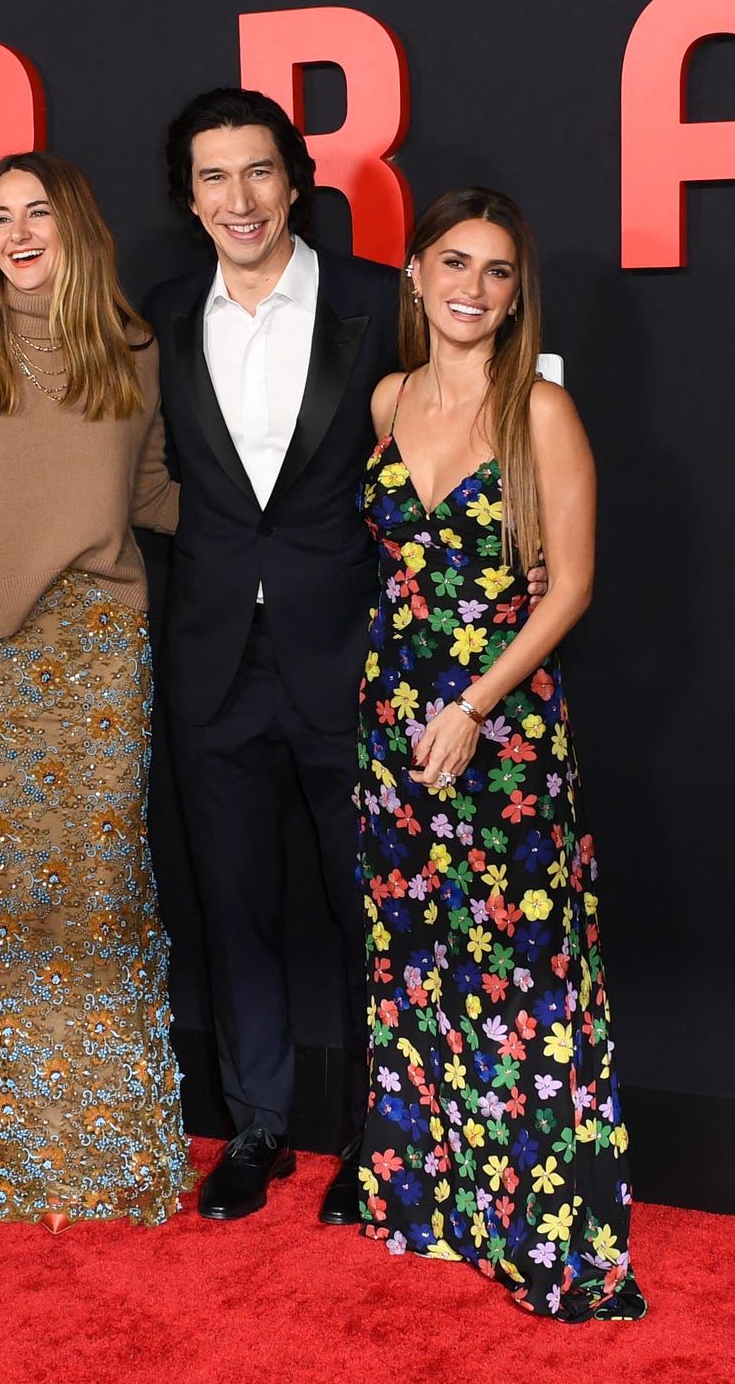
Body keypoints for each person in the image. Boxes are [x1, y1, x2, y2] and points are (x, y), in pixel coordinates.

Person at [0, 150, 193, 1233]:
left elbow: (154, 491)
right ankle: (34, 1158)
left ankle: (120, 1153)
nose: (15, 233)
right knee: (18, 905)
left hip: (103, 645)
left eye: (36, 214)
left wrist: (311, 517)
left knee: (102, 890)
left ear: (75, 229)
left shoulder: (133, 348)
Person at [356, 187, 646, 1320]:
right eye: (453, 264)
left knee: (521, 975)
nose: (472, 290)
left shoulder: (540, 411)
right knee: (418, 963)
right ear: (415, 274)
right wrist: (405, 707)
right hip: (391, 723)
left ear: (516, 294)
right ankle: (433, 1203)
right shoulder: (384, 397)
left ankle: (538, 1224)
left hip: (501, 728)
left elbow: (568, 584)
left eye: (496, 272)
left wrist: (471, 704)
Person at [143, 87, 403, 1223]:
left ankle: (373, 1140)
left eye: (257, 172)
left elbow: (461, 432)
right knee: (233, 906)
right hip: (211, 663)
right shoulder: (155, 315)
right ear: (188, 197)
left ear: (295, 183)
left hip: (348, 655)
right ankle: (254, 1128)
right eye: (212, 177)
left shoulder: (373, 302)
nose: (237, 198)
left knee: (368, 911)